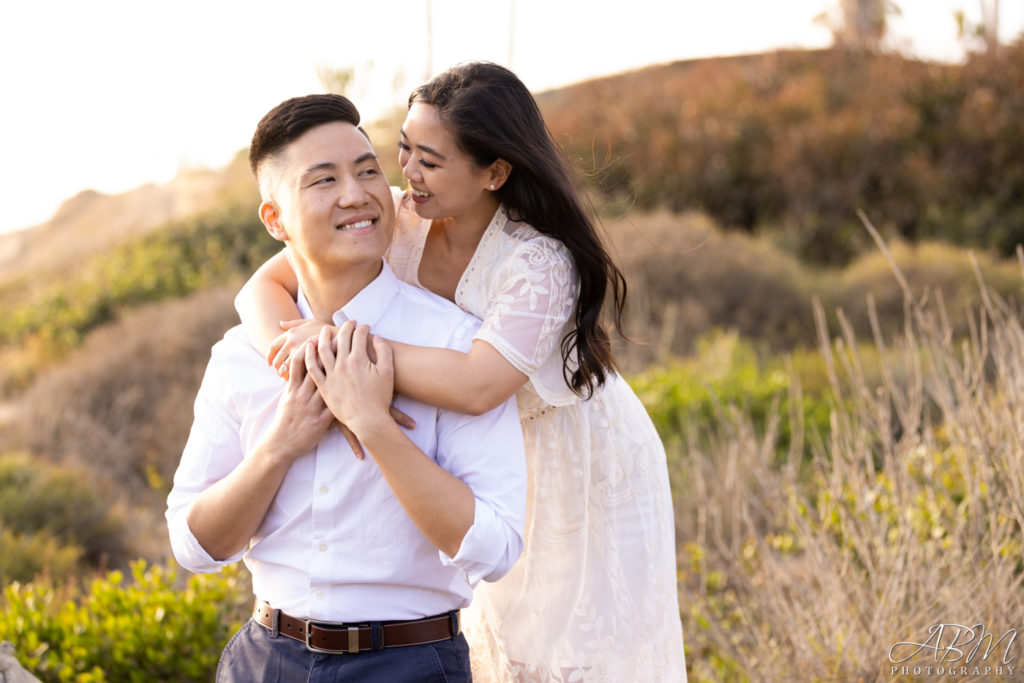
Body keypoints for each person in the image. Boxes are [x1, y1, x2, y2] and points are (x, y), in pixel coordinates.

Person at [235, 62, 686, 681]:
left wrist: (348, 353)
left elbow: (479, 386)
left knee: (574, 654)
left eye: (431, 160)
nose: (406, 175)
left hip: (573, 458)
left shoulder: (539, 260)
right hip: (477, 456)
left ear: (495, 172)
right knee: (492, 644)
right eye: (403, 152)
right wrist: (303, 363)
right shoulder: (398, 215)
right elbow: (261, 286)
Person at [166, 93, 527, 683]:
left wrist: (374, 426)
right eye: (323, 180)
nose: (357, 193)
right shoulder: (241, 356)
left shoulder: (457, 345)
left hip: (411, 663)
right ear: (275, 220)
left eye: (367, 170)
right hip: (264, 659)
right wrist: (280, 445)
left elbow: (495, 547)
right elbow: (193, 544)